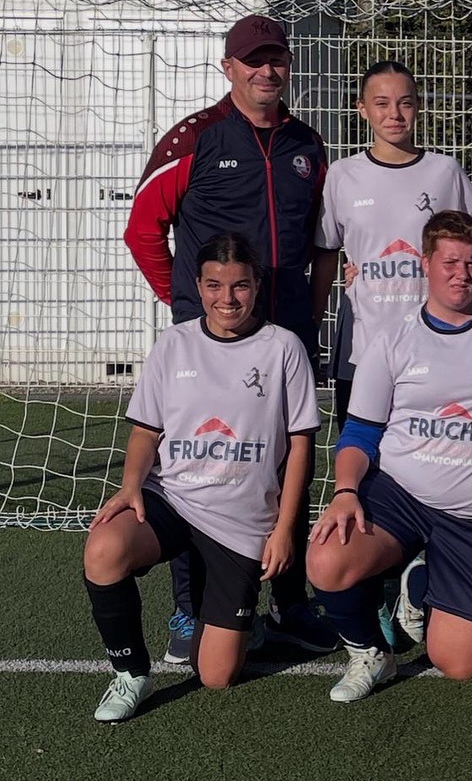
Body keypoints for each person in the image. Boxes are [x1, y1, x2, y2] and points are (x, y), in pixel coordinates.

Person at [123, 14, 335, 660]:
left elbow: (319, 240)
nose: (266, 71)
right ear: (229, 68)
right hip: (210, 338)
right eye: (253, 60)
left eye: (276, 59)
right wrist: (187, 305)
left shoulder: (307, 144)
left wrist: (308, 313)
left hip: (283, 336)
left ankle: (289, 602)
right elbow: (142, 229)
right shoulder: (195, 138)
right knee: (198, 468)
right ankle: (189, 611)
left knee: (286, 461)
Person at [305, 211, 472, 702]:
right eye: (450, 263)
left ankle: (422, 582)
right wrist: (345, 491)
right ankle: (370, 652)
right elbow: (360, 431)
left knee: (458, 664)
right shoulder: (392, 338)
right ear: (426, 263)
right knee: (327, 559)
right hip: (401, 496)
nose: (462, 274)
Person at [83, 232, 320, 721]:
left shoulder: (283, 348)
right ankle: (130, 673)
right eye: (214, 285)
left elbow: (300, 446)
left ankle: (242, 619)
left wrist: (283, 530)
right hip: (174, 498)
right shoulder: (174, 344)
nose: (227, 298)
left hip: (241, 521)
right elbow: (146, 431)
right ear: (198, 286)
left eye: (240, 286)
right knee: (104, 548)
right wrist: (130, 487)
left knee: (216, 675)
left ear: (257, 285)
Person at [310, 61, 472, 430]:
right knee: (359, 444)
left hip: (434, 338)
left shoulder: (445, 171)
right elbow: (327, 250)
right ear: (362, 109)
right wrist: (315, 315)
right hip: (364, 339)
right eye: (382, 103)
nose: (394, 114)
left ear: (418, 107)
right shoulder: (343, 174)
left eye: (405, 103)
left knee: (427, 441)